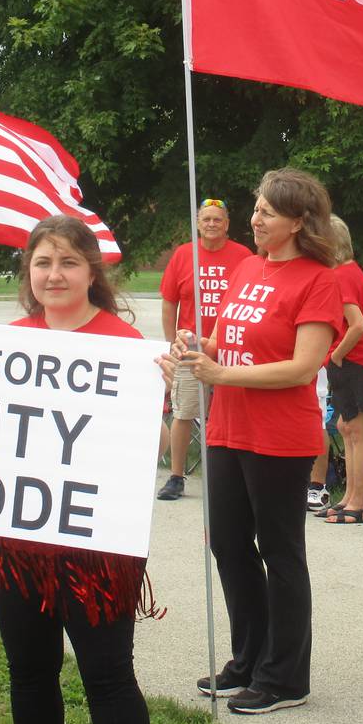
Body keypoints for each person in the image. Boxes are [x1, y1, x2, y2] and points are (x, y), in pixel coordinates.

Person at [172, 167, 342, 715]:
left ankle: (286, 677)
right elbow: (226, 341)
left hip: (279, 438)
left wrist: (221, 378)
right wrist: (197, 345)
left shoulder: (319, 279)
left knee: (280, 552)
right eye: (256, 207)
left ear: (298, 221)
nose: (256, 218)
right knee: (227, 543)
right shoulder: (248, 266)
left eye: (267, 210)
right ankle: (248, 658)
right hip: (227, 430)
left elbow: (301, 368)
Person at [0, 215, 150, 724]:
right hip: (18, 542)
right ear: (27, 271)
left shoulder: (127, 347)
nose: (54, 275)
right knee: (29, 672)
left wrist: (163, 391)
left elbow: (146, 452)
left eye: (68, 262)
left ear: (91, 271)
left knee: (107, 677)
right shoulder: (5, 345)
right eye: (42, 262)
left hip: (95, 549)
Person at [156, 198, 253, 501]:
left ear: (227, 224)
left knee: (234, 414)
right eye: (206, 219)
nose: (212, 224)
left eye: (217, 219)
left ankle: (229, 478)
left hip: (232, 347)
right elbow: (170, 301)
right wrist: (171, 339)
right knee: (184, 412)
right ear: (198, 223)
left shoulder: (244, 256)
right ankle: (176, 477)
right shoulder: (184, 255)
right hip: (190, 349)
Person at [316, 215, 363, 526]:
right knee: (346, 428)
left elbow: (358, 325)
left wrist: (337, 355)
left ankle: (359, 503)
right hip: (351, 362)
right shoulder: (342, 272)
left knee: (358, 431)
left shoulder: (344, 275)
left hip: (361, 362)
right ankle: (348, 497)